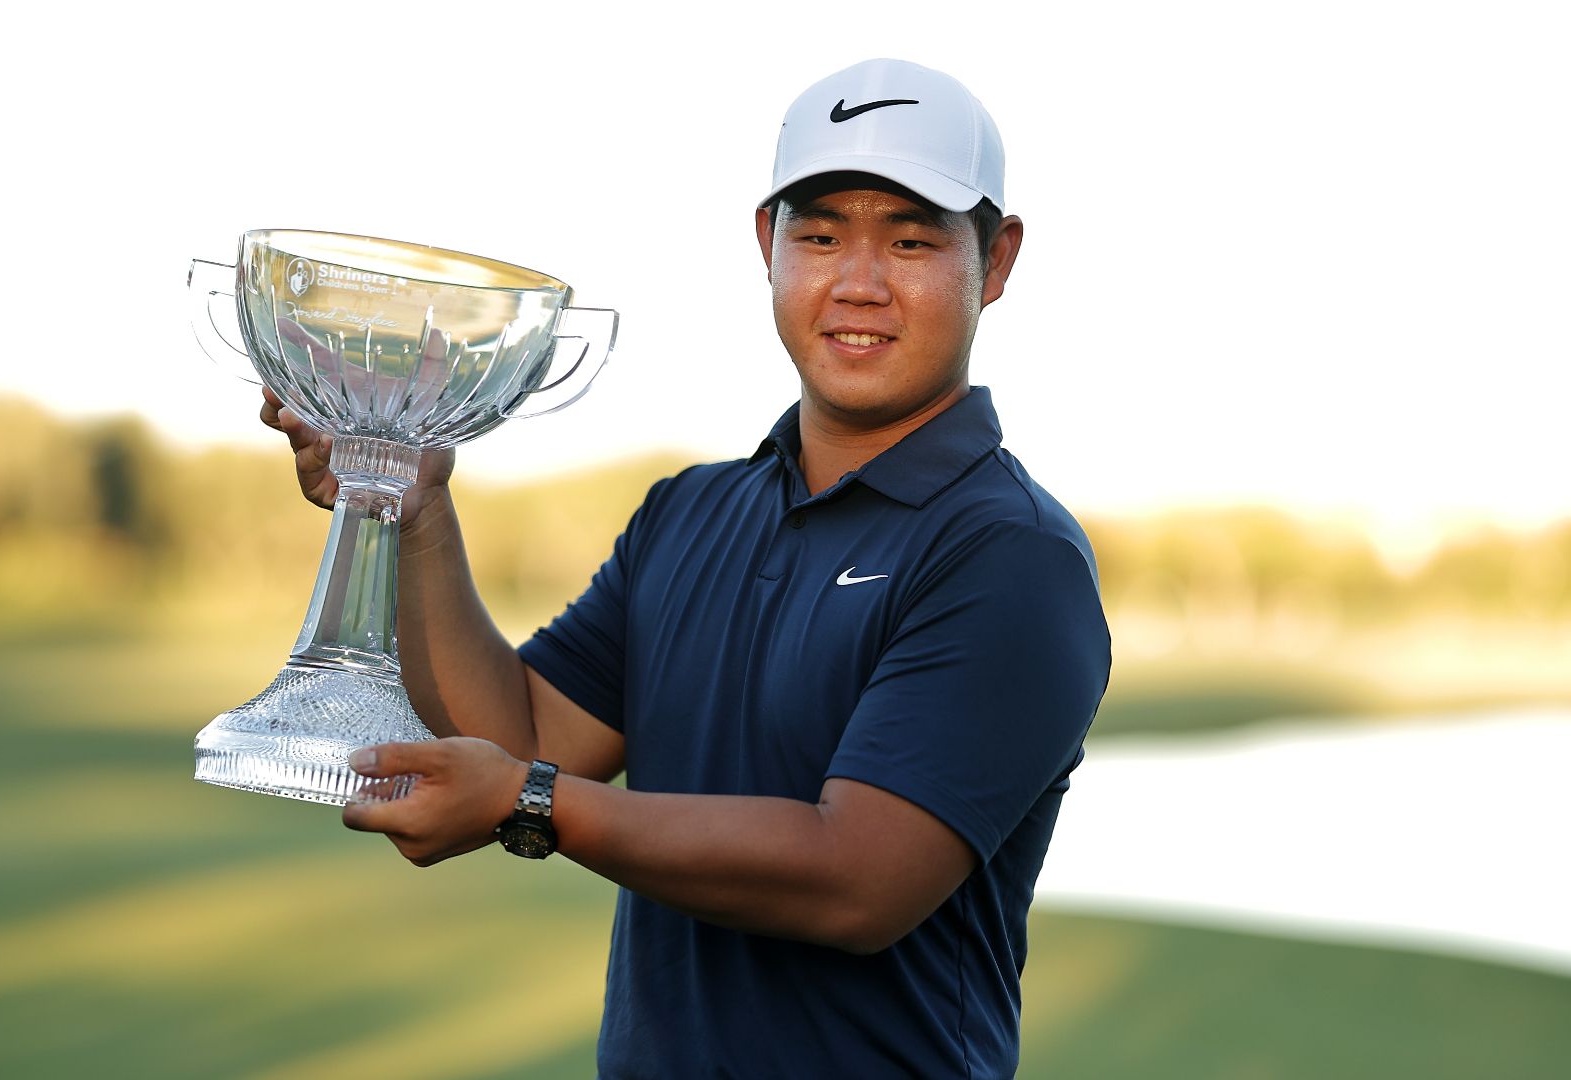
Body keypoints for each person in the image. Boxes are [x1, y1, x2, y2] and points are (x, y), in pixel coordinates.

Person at [261, 58, 1110, 1080]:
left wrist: (531, 802)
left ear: (998, 259)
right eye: (822, 232)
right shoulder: (690, 514)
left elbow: (857, 882)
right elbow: (523, 736)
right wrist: (418, 508)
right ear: (768, 243)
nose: (859, 281)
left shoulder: (1010, 555)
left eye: (914, 240)